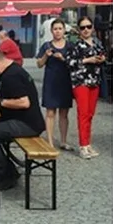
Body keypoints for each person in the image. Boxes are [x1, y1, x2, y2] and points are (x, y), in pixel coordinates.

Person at [0, 48, 45, 191]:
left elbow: (24, 102)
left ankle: (6, 173)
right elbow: (1, 96)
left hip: (27, 124)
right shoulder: (11, 71)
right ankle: (7, 170)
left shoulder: (11, 76)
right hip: (22, 120)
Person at [66, 15, 105, 159]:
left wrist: (101, 59)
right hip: (80, 81)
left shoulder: (97, 43)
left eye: (88, 26)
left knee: (90, 114)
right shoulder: (75, 45)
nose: (86, 30)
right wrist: (88, 59)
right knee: (83, 113)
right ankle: (83, 146)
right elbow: (69, 62)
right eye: (83, 27)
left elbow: (103, 56)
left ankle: (87, 144)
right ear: (78, 30)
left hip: (94, 80)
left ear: (93, 28)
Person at [35, 19, 74, 151]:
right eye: (55, 29)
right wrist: (46, 56)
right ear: (51, 31)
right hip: (51, 82)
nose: (57, 31)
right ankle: (50, 142)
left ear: (64, 30)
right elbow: (39, 64)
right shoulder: (46, 46)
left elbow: (75, 64)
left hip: (65, 82)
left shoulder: (70, 46)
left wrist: (62, 58)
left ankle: (63, 141)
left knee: (64, 113)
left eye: (60, 28)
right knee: (50, 112)